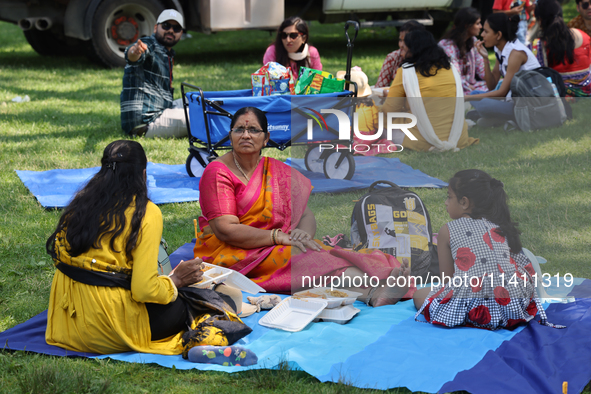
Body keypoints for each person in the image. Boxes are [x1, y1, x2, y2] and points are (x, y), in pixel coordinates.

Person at [46, 140, 250, 356]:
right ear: (143, 174)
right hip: (111, 328)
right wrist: (175, 281)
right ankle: (199, 342)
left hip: (68, 324)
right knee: (209, 301)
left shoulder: (78, 204)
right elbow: (144, 290)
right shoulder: (145, 212)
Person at [193, 106, 413, 306]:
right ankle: (373, 289)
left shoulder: (275, 170)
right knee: (303, 257)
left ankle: (379, 284)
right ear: (230, 135)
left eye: (254, 130)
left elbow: (306, 215)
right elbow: (225, 229)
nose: (246, 135)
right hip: (231, 251)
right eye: (239, 129)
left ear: (266, 138)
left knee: (317, 250)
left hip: (277, 243)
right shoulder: (218, 171)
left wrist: (302, 235)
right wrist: (278, 237)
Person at [412, 170, 563, 330]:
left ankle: (469, 317)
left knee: (419, 295)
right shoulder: (500, 224)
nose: (445, 202)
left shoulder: (447, 230)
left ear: (464, 202)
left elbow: (447, 283)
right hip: (512, 306)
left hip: (479, 310)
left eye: (449, 197)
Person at [380, 29, 479, 152]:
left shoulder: (406, 71)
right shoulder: (451, 68)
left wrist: (385, 100)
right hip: (458, 138)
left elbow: (389, 111)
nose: (401, 53)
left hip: (422, 142)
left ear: (413, 50)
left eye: (404, 49)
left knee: (376, 116)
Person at [120, 9, 187, 138]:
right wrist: (135, 51)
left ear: (181, 33)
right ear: (156, 28)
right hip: (145, 122)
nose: (171, 31)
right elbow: (133, 55)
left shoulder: (167, 53)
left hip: (159, 111)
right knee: (200, 116)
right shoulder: (149, 44)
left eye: (176, 28)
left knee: (198, 101)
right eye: (166, 26)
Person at [466, 13, 540, 128]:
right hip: (512, 100)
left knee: (483, 103)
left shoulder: (516, 53)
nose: (482, 35)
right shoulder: (500, 49)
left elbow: (501, 93)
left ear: (498, 35)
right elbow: (492, 86)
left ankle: (498, 118)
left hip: (528, 105)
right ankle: (496, 118)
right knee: (475, 94)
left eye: (486, 31)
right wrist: (485, 58)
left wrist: (465, 98)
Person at [533, 0, 591, 97]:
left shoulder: (537, 46)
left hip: (557, 95)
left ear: (539, 20)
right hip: (585, 93)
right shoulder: (583, 36)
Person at [439, 7, 489, 95]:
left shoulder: (473, 41)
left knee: (498, 87)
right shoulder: (447, 45)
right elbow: (454, 75)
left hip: (471, 85)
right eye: (477, 23)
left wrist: (495, 78)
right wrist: (468, 86)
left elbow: (482, 71)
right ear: (466, 25)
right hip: (454, 86)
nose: (481, 27)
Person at [375, 20, 425, 89]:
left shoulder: (428, 59)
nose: (401, 45)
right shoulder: (393, 58)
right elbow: (379, 88)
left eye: (405, 41)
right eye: (400, 40)